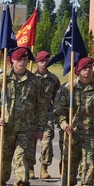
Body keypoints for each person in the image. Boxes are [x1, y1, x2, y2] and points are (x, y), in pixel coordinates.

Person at [0, 46, 45, 186]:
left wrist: (40, 127)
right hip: (5, 128)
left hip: (26, 129)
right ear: (11, 61)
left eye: (25, 60)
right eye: (19, 60)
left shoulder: (34, 82)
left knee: (23, 159)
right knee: (3, 160)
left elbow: (41, 106)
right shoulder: (0, 80)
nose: (22, 63)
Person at [56, 57, 94, 186]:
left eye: (91, 68)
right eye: (85, 68)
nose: (88, 70)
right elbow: (59, 111)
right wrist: (64, 124)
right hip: (72, 131)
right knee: (71, 162)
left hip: (91, 131)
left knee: (89, 162)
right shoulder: (67, 88)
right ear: (78, 70)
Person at [32, 50, 61, 179]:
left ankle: (44, 167)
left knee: (47, 142)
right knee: (30, 143)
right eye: (42, 61)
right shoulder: (30, 78)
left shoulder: (54, 79)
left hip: (48, 115)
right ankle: (30, 167)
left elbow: (57, 99)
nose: (44, 63)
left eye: (46, 61)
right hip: (32, 115)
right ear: (37, 61)